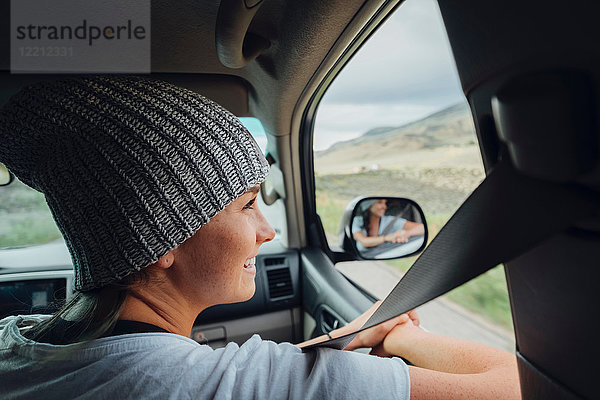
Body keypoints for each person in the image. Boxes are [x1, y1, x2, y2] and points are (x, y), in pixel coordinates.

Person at [0, 76, 520, 399]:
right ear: (159, 240)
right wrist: (403, 337)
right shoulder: (230, 385)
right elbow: (524, 388)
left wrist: (347, 337)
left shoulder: (15, 343)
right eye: (248, 205)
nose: (267, 231)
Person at [352, 199, 425, 253]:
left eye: (385, 203)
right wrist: (388, 237)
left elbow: (422, 227)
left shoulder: (390, 221)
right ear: (368, 206)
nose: (384, 207)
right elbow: (364, 241)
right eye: (380, 203)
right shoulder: (356, 221)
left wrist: (407, 233)